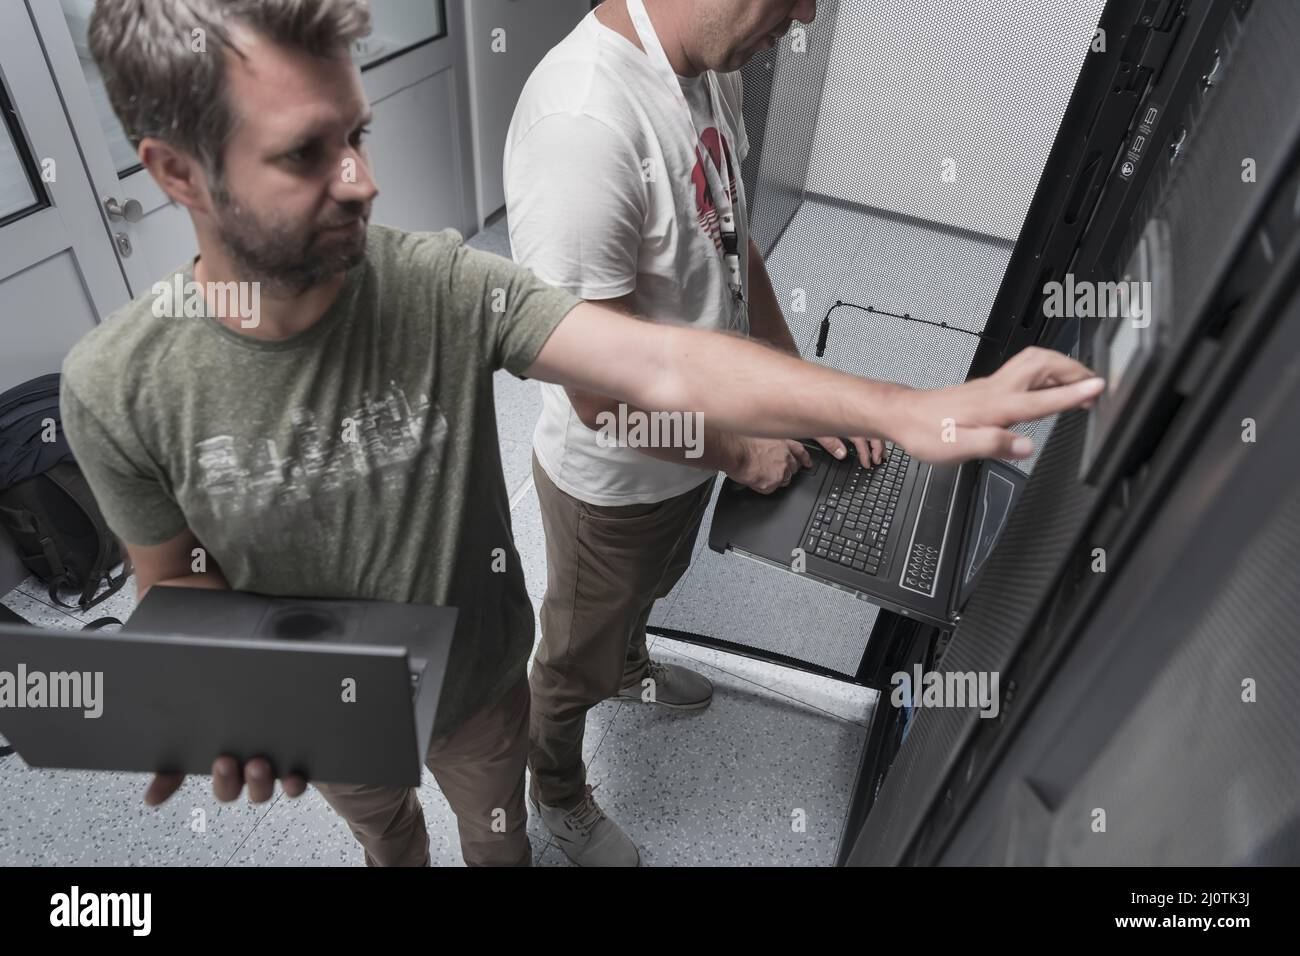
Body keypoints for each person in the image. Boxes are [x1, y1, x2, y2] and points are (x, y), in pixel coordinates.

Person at [62, 0, 1104, 867]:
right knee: (387, 837)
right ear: (177, 173)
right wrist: (232, 688)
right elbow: (176, 580)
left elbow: (649, 359)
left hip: (477, 687)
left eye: (358, 136)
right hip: (330, 720)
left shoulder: (431, 281)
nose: (362, 182)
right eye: (306, 154)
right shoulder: (117, 388)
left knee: (497, 831)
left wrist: (905, 409)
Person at [505, 0, 881, 864]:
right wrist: (745, 451)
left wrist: (804, 393)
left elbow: (732, 245)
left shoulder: (710, 74)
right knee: (569, 664)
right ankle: (557, 793)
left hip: (691, 452)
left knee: (655, 586)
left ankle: (630, 662)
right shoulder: (583, 122)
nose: (805, 18)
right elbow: (598, 395)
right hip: (616, 485)